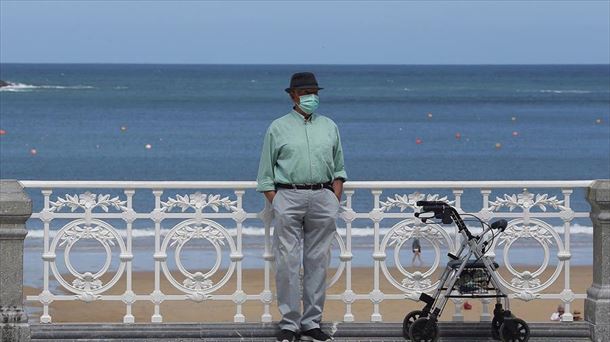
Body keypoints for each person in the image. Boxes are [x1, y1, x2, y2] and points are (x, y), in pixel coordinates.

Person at [256, 72, 347, 342]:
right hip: (289, 197)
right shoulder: (277, 127)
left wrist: (334, 198)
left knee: (318, 263)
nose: (312, 97)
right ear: (293, 96)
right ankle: (289, 323)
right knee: (287, 263)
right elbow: (265, 174)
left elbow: (339, 168)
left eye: (315, 92)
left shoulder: (330, 126)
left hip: (323, 197)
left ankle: (311, 323)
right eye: (306, 93)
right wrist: (279, 201)